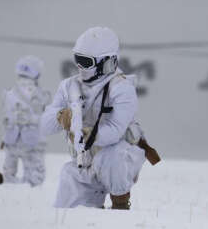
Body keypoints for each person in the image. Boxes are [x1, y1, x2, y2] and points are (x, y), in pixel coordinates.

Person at [40, 27, 159, 210]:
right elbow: (44, 126)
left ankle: (120, 202)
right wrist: (60, 117)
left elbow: (115, 131)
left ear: (106, 62)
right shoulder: (69, 86)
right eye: (77, 59)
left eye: (86, 62)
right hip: (85, 161)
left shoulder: (121, 88)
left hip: (120, 160)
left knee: (111, 156)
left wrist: (86, 134)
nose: (80, 67)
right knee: (67, 202)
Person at [0, 55, 51, 186]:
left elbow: (9, 118)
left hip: (20, 138)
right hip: (24, 139)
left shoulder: (14, 93)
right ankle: (8, 181)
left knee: (19, 170)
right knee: (28, 173)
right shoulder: (35, 94)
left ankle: (9, 181)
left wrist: (5, 137)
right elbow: (9, 118)